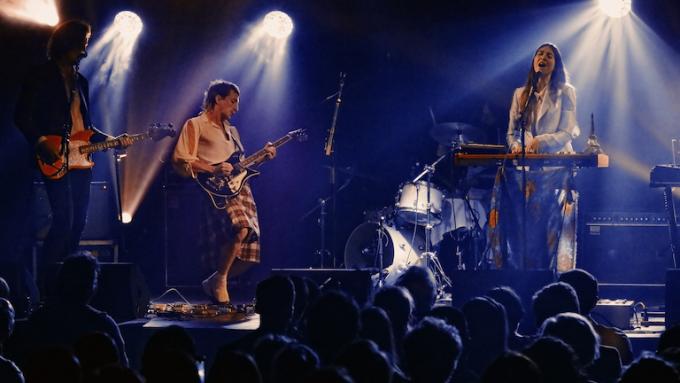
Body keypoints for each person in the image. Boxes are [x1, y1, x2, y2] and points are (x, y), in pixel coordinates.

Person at [14, 20, 132, 263]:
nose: (86, 48)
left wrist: (112, 140)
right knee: (63, 220)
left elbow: (85, 127)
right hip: (53, 155)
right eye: (84, 42)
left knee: (78, 222)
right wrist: (40, 142)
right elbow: (21, 115)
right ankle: (49, 286)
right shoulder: (40, 75)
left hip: (80, 162)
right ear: (71, 41)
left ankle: (68, 279)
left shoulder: (82, 81)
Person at [172, 80, 276, 303]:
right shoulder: (195, 124)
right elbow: (180, 159)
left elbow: (240, 167)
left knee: (251, 253)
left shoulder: (233, 132)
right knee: (241, 228)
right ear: (217, 99)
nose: (236, 108)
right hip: (217, 190)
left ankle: (217, 279)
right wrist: (213, 168)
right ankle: (218, 282)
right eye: (232, 101)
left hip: (241, 189)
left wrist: (263, 157)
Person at [487, 42, 580, 270]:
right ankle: (521, 272)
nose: (543, 58)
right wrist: (517, 145)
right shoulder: (521, 94)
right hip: (525, 172)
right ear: (533, 61)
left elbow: (567, 131)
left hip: (555, 168)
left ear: (556, 64)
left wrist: (541, 141)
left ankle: (553, 276)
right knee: (523, 230)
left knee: (549, 229)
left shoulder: (566, 92)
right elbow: (511, 131)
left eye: (549, 55)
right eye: (540, 54)